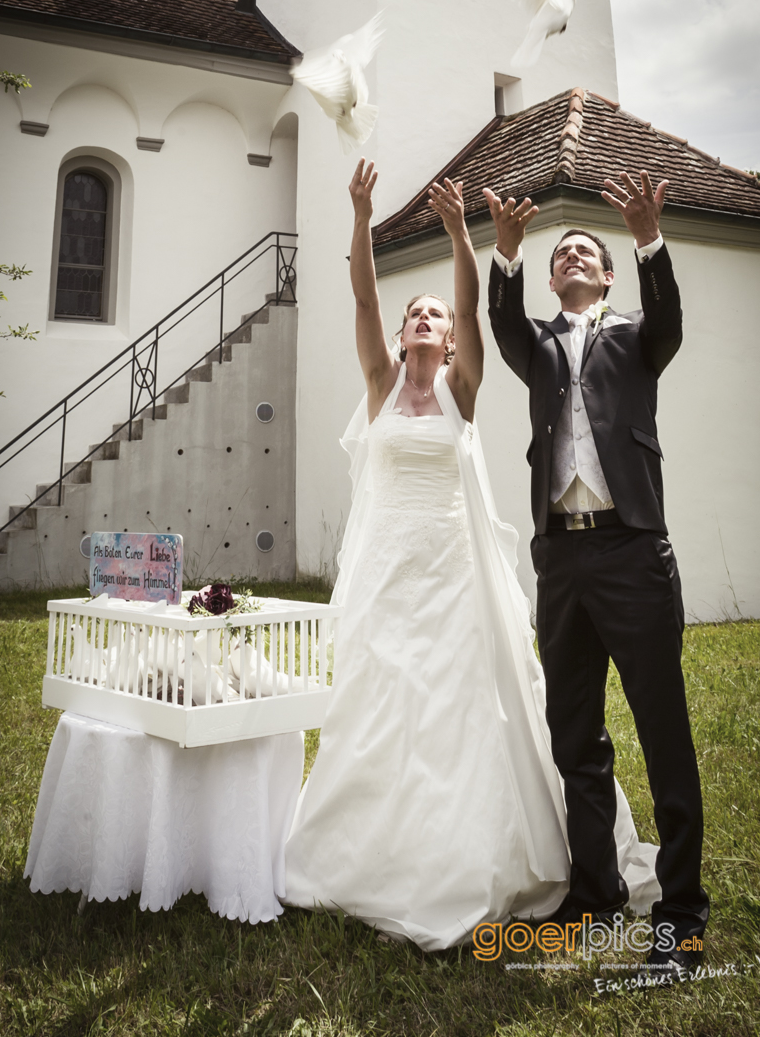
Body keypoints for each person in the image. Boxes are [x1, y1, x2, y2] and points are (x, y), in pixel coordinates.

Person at [284, 161, 659, 950]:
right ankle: (376, 853)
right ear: (400, 334)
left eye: (434, 316)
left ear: (451, 340)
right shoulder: (381, 381)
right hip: (389, 567)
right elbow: (359, 295)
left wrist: (461, 234)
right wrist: (359, 214)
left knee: (462, 705)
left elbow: (468, 303)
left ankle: (472, 852)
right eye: (413, 313)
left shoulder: (462, 388)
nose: (424, 317)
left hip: (452, 571)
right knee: (384, 702)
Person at [485, 169, 710, 973]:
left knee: (661, 728)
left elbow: (672, 319)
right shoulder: (537, 345)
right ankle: (595, 893)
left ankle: (681, 916)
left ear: (608, 274)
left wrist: (651, 237)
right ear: (552, 278)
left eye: (587, 250)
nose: (572, 255)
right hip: (563, 556)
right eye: (561, 252)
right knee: (574, 733)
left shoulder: (638, 336)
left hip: (630, 550)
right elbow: (502, 322)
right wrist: (504, 253)